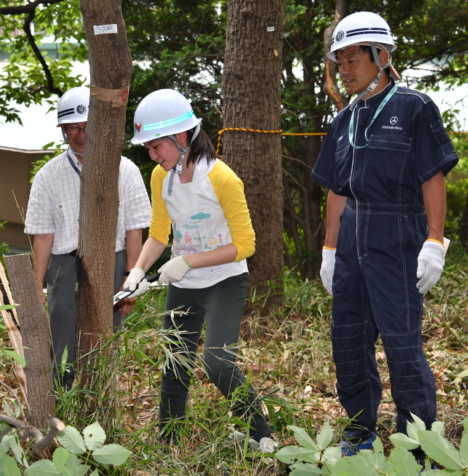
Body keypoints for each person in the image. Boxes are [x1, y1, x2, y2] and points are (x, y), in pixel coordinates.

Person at [311, 12, 459, 459]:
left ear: (382, 56)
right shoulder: (344, 120)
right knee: (349, 339)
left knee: (401, 342)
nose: (345, 69)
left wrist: (435, 241)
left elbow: (433, 177)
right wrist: (330, 249)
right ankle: (359, 430)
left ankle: (418, 444)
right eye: (340, 62)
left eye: (353, 59)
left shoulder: (413, 107)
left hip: (398, 229)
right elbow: (337, 191)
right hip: (354, 228)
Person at [123, 89, 275, 451]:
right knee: (174, 363)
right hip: (184, 284)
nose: (153, 155)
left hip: (225, 279)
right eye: (148, 148)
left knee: (218, 363)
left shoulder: (222, 179)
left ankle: (261, 432)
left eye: (156, 146)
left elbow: (246, 245)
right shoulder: (162, 178)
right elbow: (159, 234)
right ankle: (168, 442)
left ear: (181, 137)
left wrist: (188, 260)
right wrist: (137, 270)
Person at [24, 86, 151, 389]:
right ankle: (63, 403)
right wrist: (34, 288)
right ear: (63, 130)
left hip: (112, 260)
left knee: (106, 339)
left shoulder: (126, 169)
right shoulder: (47, 176)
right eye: (72, 128)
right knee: (63, 339)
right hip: (63, 265)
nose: (80, 134)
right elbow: (42, 236)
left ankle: (101, 400)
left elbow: (136, 228)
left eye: (86, 127)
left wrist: (130, 279)